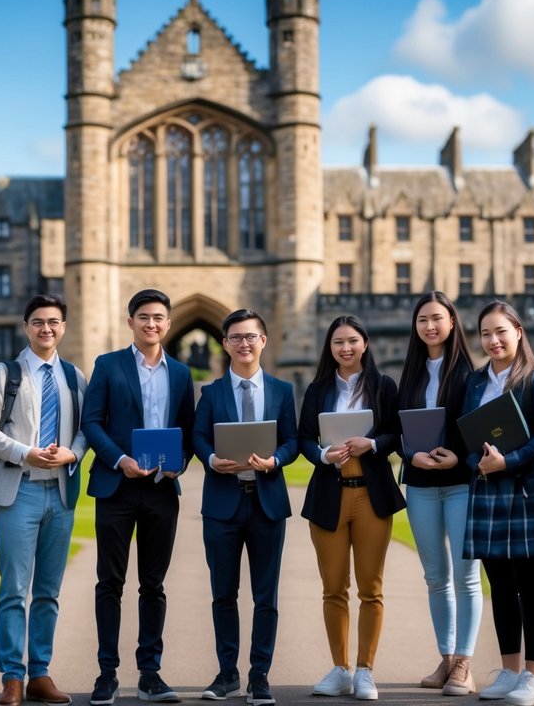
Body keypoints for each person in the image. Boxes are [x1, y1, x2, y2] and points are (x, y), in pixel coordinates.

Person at [81, 289, 196, 705]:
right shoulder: (108, 365)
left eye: (159, 318)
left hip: (161, 490)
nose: (152, 324)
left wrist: (180, 462)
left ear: (168, 323)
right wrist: (120, 459)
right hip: (116, 486)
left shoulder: (181, 374)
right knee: (110, 582)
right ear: (130, 322)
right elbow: (92, 423)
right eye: (144, 317)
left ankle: (150, 673)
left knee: (154, 584)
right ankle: (106, 674)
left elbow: (188, 431)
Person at [0, 294, 88, 706]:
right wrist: (25, 452)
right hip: (17, 489)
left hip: (60, 492)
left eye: (54, 322)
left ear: (63, 327)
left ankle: (39, 673)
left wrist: (73, 453)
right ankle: (12, 677)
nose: (46, 329)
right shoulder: (4, 373)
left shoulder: (74, 376)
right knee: (14, 589)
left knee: (48, 591)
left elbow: (85, 429)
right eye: (38, 322)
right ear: (26, 327)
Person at [193, 309, 299, 706]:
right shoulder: (211, 392)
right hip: (222, 504)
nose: (243, 343)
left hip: (267, 503)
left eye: (250, 336)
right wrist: (209, 460)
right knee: (223, 594)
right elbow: (199, 437)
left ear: (263, 341)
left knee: (266, 596)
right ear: (225, 344)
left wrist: (276, 461)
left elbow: (291, 440)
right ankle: (226, 674)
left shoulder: (282, 391)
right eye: (235, 337)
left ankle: (260, 675)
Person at [298, 315, 406, 701]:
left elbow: (396, 433)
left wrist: (372, 445)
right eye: (338, 342)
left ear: (365, 344)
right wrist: (323, 454)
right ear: (330, 348)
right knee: (333, 588)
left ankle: (365, 670)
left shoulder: (383, 386)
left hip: (371, 494)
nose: (345, 348)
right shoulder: (318, 389)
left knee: (371, 589)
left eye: (352, 341)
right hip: (330, 493)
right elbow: (303, 439)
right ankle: (340, 668)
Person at [461, 300, 534, 706]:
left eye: (501, 331)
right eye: (485, 333)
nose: (493, 340)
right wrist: (480, 465)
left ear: (518, 332)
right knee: (499, 584)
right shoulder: (476, 382)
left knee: (529, 584)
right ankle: (509, 670)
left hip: (525, 487)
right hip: (487, 487)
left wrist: (508, 462)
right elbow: (465, 437)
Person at [394, 292, 480, 697]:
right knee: (434, 578)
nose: (430, 326)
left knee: (466, 575)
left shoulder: (469, 374)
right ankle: (445, 660)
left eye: (437, 318)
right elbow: (399, 433)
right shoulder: (409, 375)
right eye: (423, 320)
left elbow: (477, 432)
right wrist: (413, 455)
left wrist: (456, 459)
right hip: (422, 486)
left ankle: (464, 662)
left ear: (451, 322)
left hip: (461, 482)